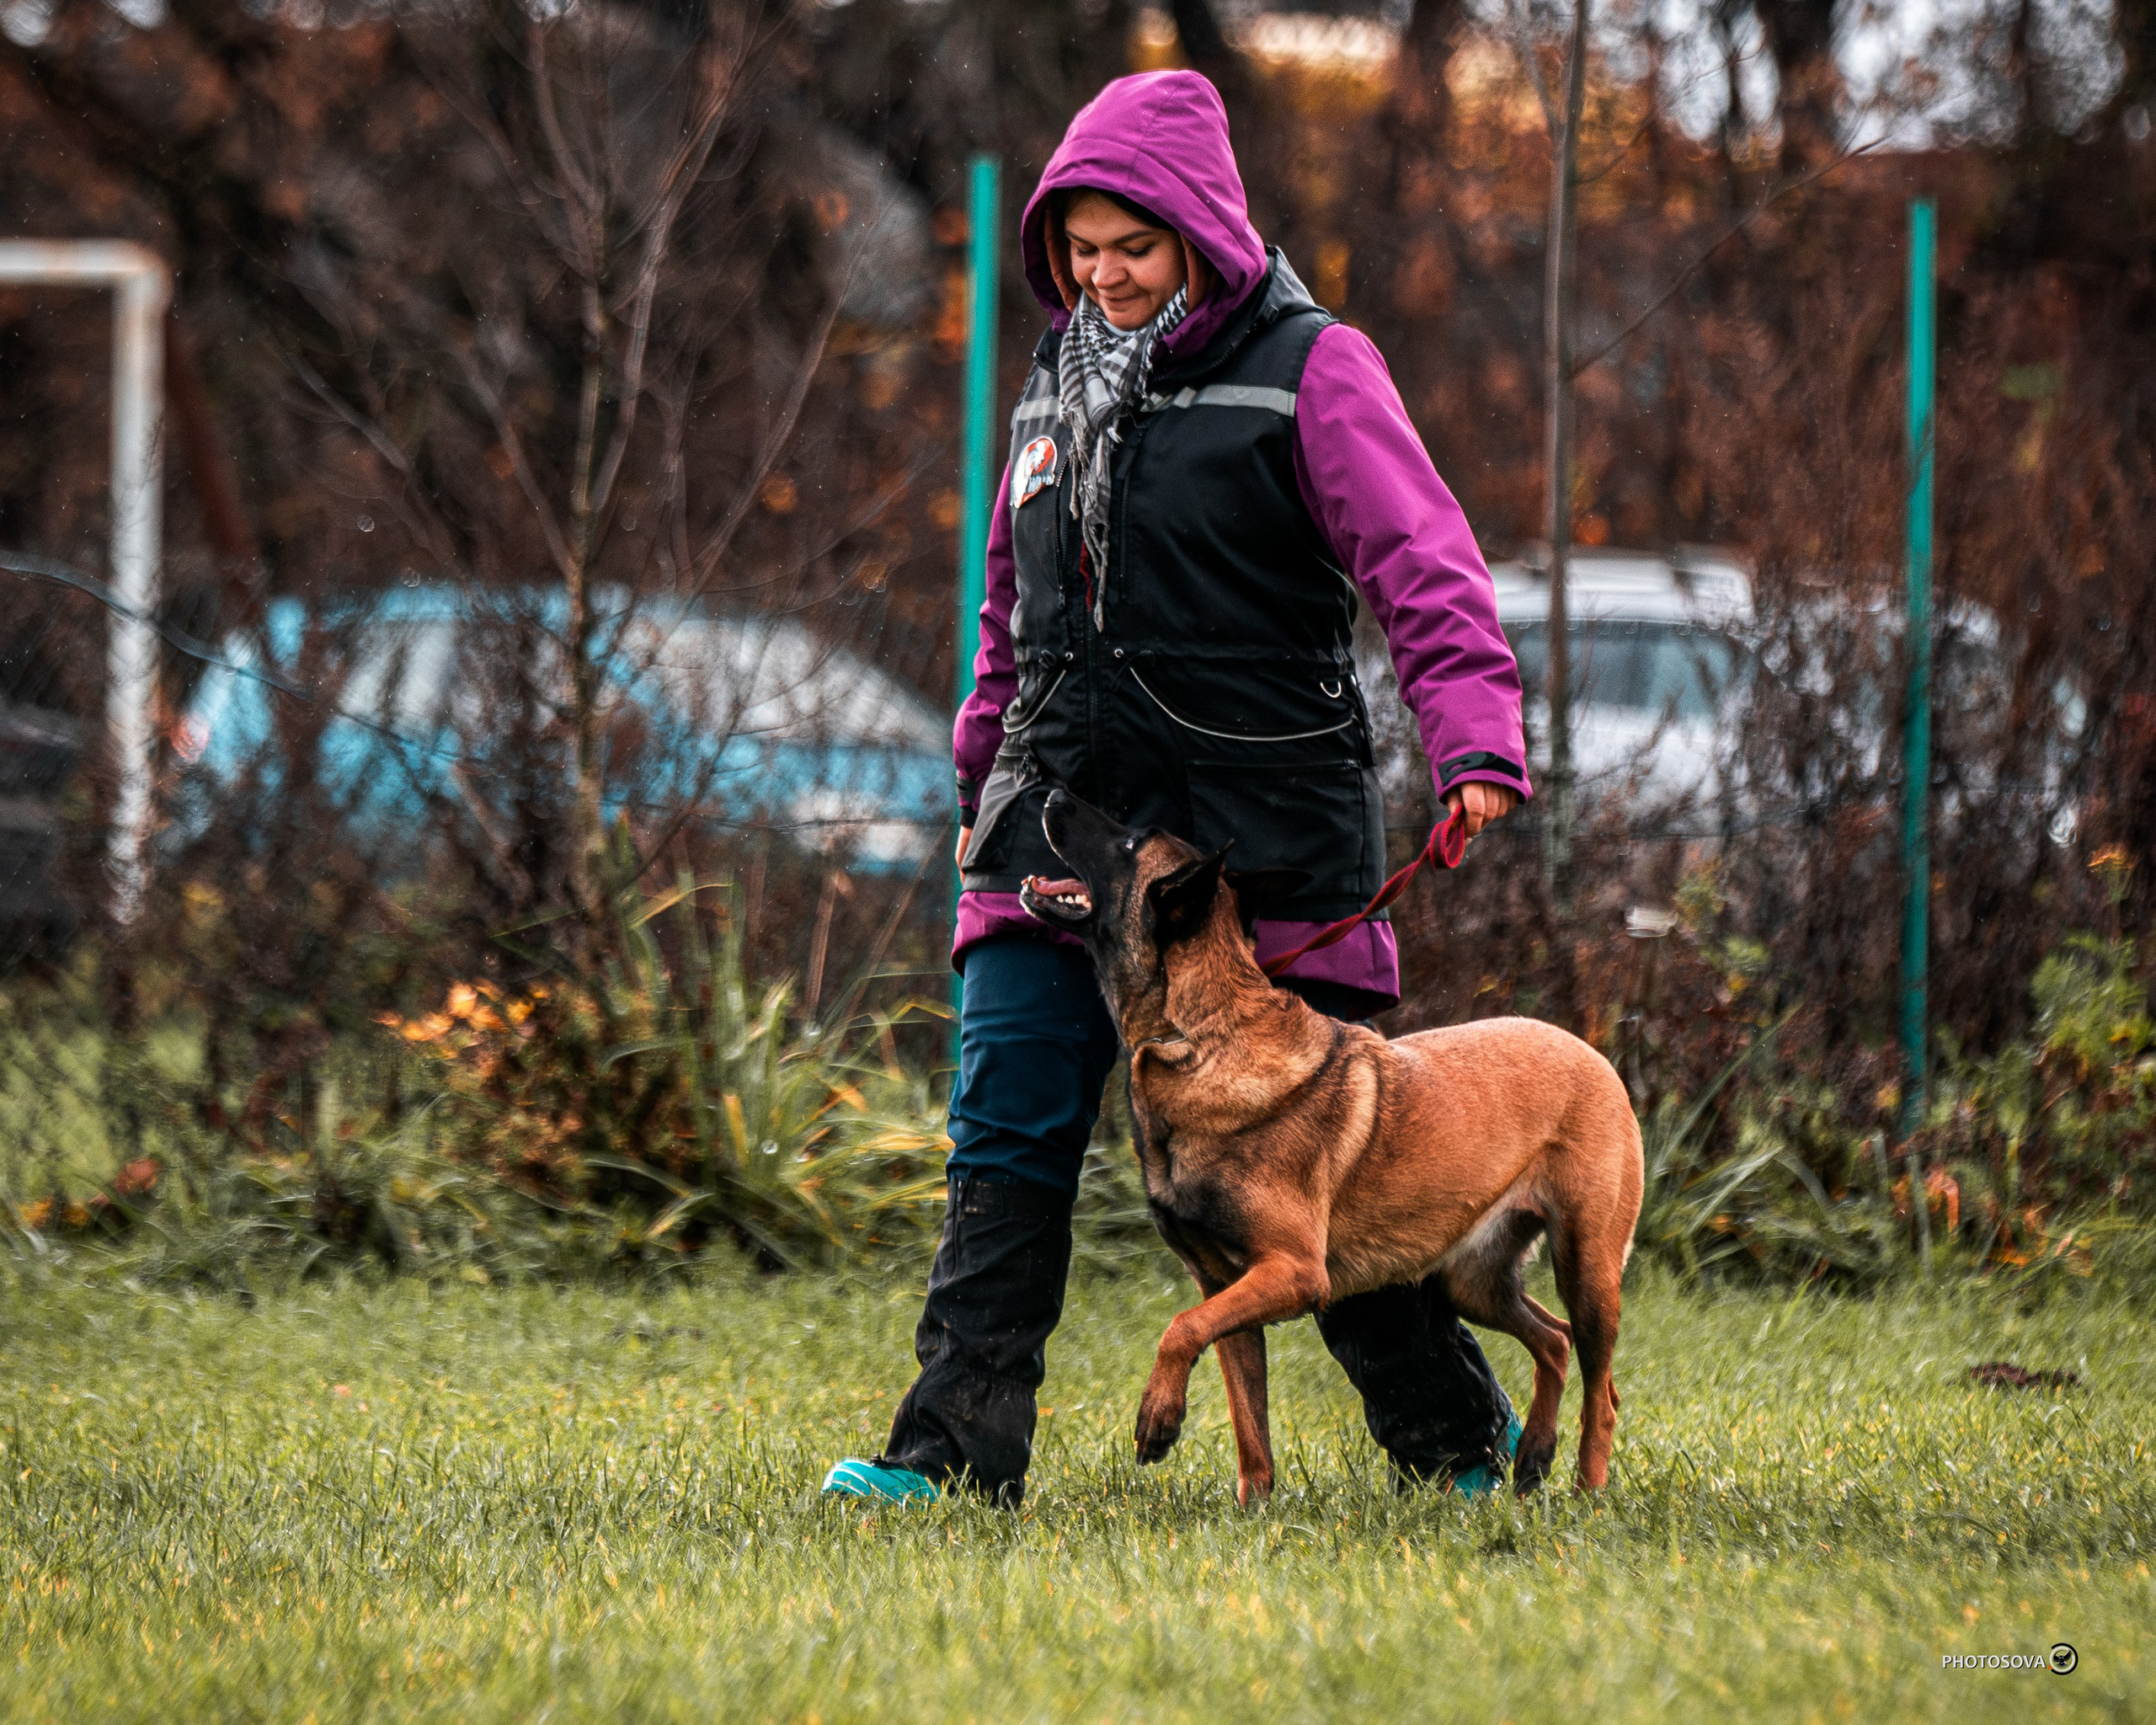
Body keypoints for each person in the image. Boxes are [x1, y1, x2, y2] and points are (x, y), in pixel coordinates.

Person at [824, 69, 1530, 1506]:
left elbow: (1426, 564)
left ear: (1200, 230)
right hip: (1062, 826)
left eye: (1130, 249)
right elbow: (1009, 613)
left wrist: (1474, 744)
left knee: (1309, 1171)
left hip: (1256, 845)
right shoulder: (1050, 386)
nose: (1103, 278)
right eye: (1078, 252)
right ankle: (951, 1461)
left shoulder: (1312, 368)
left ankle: (1459, 1451)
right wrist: (981, 773)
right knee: (1008, 1131)